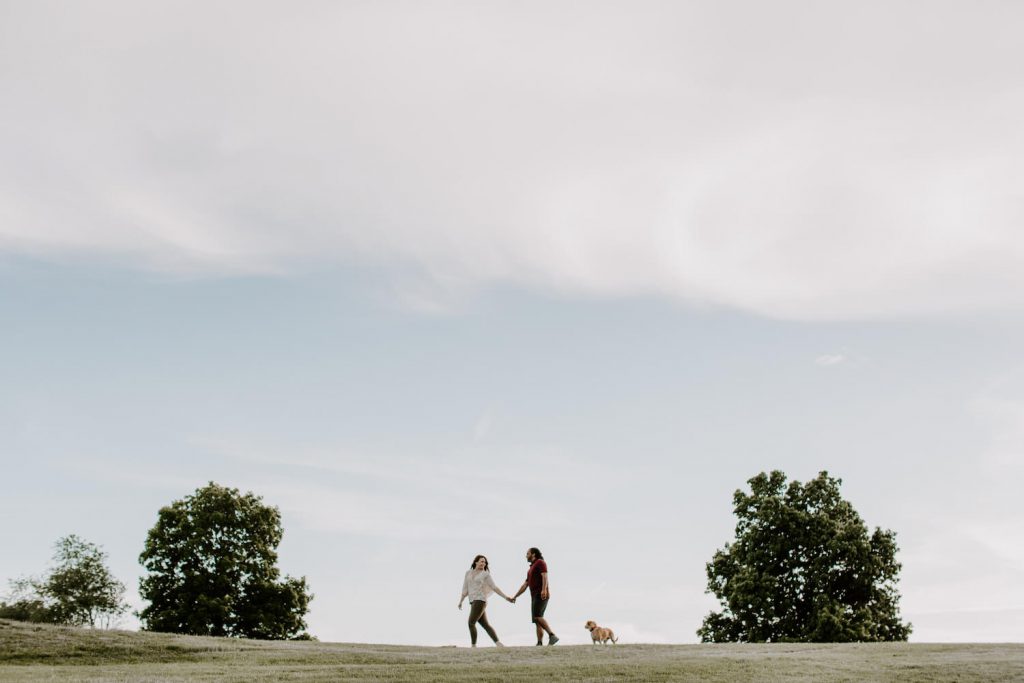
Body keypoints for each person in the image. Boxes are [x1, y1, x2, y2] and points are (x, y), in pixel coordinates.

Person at [458, 554, 513, 647]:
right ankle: (498, 643)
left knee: (471, 623)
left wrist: (505, 597)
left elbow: (494, 587)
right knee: (485, 624)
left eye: (484, 562)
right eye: (481, 561)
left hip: (480, 600)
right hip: (473, 601)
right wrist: (461, 601)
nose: (483, 563)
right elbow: (465, 588)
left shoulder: (485, 574)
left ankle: (473, 646)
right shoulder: (468, 573)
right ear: (476, 562)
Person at [511, 547, 559, 645]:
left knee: (537, 617)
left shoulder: (540, 562)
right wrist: (515, 596)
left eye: (527, 553)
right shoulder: (530, 569)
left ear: (533, 554)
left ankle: (552, 635)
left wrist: (544, 589)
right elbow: (525, 585)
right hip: (534, 596)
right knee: (537, 621)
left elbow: (545, 575)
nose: (526, 556)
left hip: (541, 594)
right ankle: (539, 642)